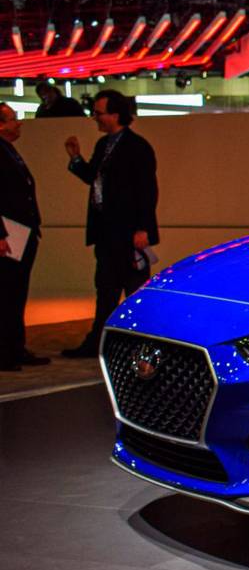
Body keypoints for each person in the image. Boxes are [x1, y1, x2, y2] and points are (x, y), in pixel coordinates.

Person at [61, 90, 159, 358]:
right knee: (105, 288)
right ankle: (100, 342)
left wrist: (143, 228)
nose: (95, 118)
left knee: (134, 290)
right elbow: (93, 177)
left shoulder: (137, 147)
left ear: (115, 115)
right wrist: (76, 159)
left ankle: (139, 344)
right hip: (107, 232)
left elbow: (147, 190)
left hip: (128, 233)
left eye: (99, 113)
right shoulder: (104, 145)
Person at [0, 103, 50, 371]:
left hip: (21, 232)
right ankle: (6, 351)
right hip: (10, 234)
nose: (18, 123)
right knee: (7, 293)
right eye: (13, 119)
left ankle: (15, 347)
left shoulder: (8, 150)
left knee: (16, 293)